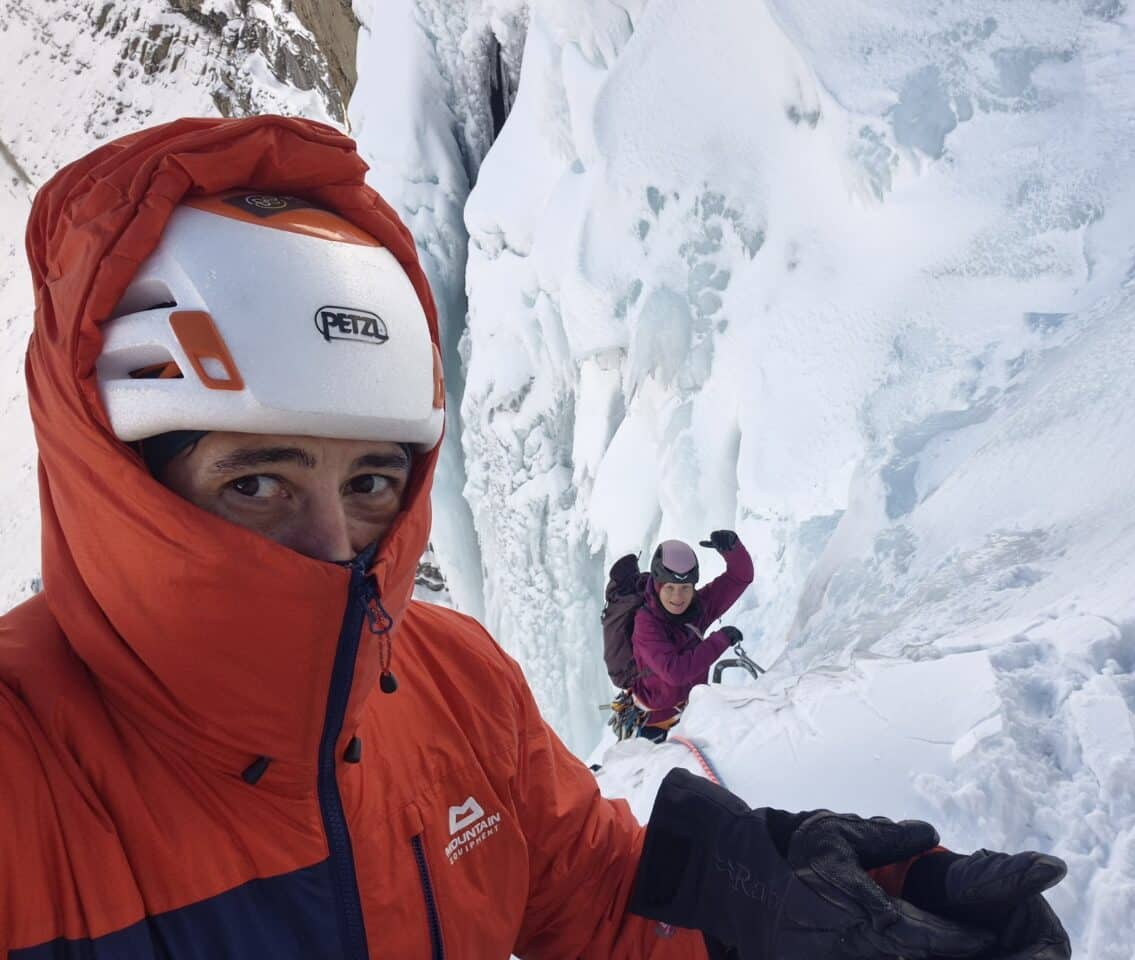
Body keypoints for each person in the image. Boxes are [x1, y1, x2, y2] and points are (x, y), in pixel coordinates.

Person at [0, 115, 1070, 959]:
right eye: (256, 479)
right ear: (125, 481)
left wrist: (782, 902)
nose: (335, 544)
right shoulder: (24, 773)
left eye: (372, 478)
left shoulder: (453, 682)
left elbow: (596, 891)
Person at [632, 532, 752, 741]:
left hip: (692, 714)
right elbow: (674, 672)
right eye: (669, 587)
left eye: (685, 588)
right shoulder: (646, 623)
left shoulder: (698, 607)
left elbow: (740, 577)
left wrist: (732, 550)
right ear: (658, 585)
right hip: (655, 723)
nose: (678, 597)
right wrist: (720, 640)